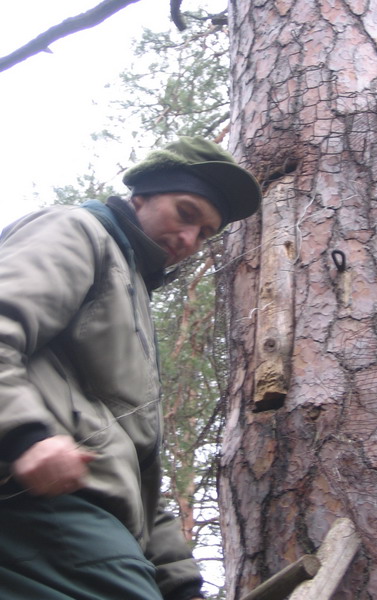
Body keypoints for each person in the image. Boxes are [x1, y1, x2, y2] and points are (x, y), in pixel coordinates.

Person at [0, 137, 261, 600]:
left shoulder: (132, 291)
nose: (189, 240)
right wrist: (24, 437)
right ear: (141, 196)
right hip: (39, 504)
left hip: (95, 522)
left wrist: (180, 583)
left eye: (205, 233)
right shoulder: (78, 230)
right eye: (185, 213)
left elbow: (136, 465)